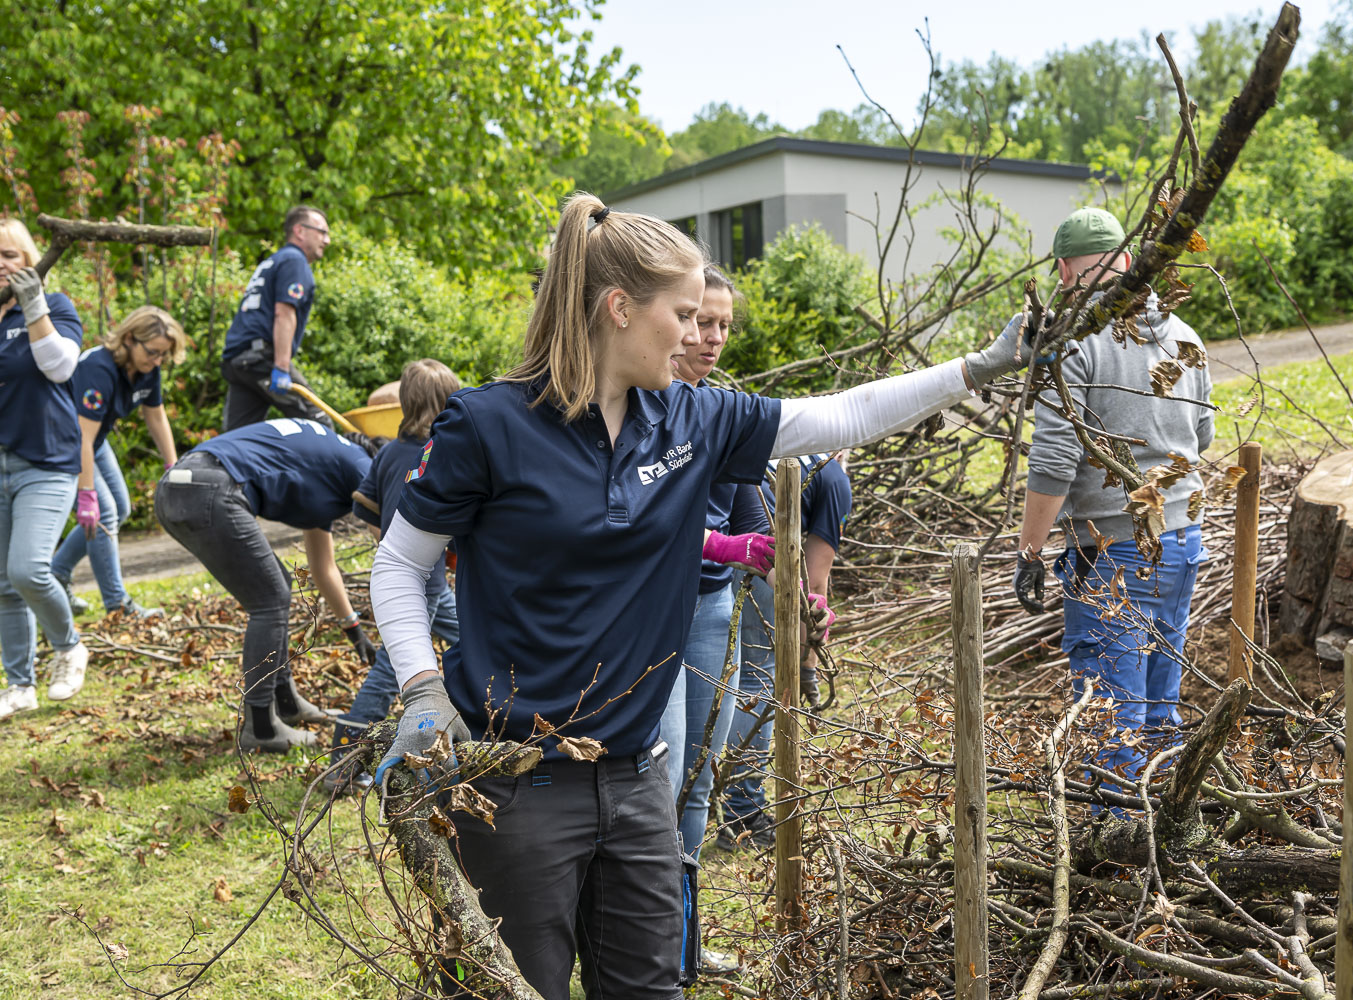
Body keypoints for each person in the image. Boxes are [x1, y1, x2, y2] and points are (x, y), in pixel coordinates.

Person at [368, 193, 1042, 1000]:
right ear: (619, 309)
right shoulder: (489, 424)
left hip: (636, 778)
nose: (699, 335)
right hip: (515, 782)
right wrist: (418, 684)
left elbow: (842, 415)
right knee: (517, 988)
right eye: (683, 314)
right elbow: (399, 564)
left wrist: (977, 368)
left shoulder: (694, 418)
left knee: (653, 989)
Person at [1012, 207, 1214, 777]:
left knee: (1110, 708)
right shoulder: (1183, 335)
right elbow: (1202, 435)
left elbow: (1053, 460)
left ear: (1062, 270)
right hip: (1181, 538)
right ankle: (1167, 823)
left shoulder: (1074, 344)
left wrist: (1029, 552)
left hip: (1113, 549)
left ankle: (1121, 837)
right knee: (1157, 698)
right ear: (1127, 262)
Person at [154, 418, 380, 751]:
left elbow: (322, 566)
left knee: (275, 588)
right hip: (212, 487)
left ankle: (284, 703)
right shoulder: (363, 464)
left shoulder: (327, 460)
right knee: (271, 598)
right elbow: (390, 545)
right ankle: (260, 728)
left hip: (174, 487)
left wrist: (353, 629)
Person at [659, 264, 776, 864]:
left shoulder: (718, 411)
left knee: (701, 775)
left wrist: (795, 588)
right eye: (702, 321)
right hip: (652, 609)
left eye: (725, 326)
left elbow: (751, 516)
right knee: (666, 771)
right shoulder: (641, 410)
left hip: (711, 607)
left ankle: (687, 941)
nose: (714, 338)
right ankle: (648, 943)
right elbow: (647, 524)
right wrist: (724, 547)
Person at [325, 359, 462, 795]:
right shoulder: (441, 454)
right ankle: (342, 764)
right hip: (424, 588)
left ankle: (482, 725)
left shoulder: (386, 452)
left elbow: (365, 510)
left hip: (402, 581)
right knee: (387, 675)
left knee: (477, 638)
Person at [718, 451, 852, 852]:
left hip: (719, 541)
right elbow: (816, 584)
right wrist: (808, 662)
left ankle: (702, 796)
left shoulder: (786, 450)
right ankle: (744, 812)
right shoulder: (835, 479)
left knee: (722, 674)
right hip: (763, 553)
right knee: (759, 674)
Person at [0, 218, 90, 719]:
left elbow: (59, 366)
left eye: (10, 255)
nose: (1, 264)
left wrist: (33, 308)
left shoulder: (55, 306)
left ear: (30, 261)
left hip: (46, 461)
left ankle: (69, 646)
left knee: (28, 569)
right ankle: (19, 684)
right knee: (2, 584)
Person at [51, 306, 184, 619]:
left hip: (93, 440)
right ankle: (118, 606)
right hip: (62, 441)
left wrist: (173, 467)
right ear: (128, 339)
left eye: (163, 356)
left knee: (119, 508)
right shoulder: (99, 369)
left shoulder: (148, 367)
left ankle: (57, 572)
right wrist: (86, 494)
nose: (157, 362)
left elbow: (155, 414)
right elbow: (80, 438)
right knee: (103, 512)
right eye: (152, 353)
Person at [219, 205, 332, 431]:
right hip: (261, 359)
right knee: (319, 425)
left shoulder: (273, 261)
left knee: (237, 437)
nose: (327, 240)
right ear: (299, 231)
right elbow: (284, 312)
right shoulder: (294, 260)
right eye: (322, 232)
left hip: (239, 360)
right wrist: (281, 367)